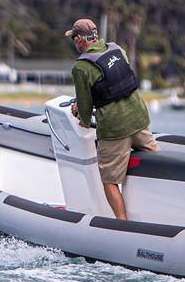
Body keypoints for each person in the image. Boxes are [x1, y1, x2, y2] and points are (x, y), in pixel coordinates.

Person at [66, 18, 158, 220]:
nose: (74, 42)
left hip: (115, 131)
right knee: (155, 163)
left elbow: (84, 109)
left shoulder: (81, 67)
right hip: (140, 120)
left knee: (109, 180)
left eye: (74, 38)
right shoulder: (118, 50)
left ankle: (122, 224)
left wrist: (79, 113)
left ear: (80, 39)